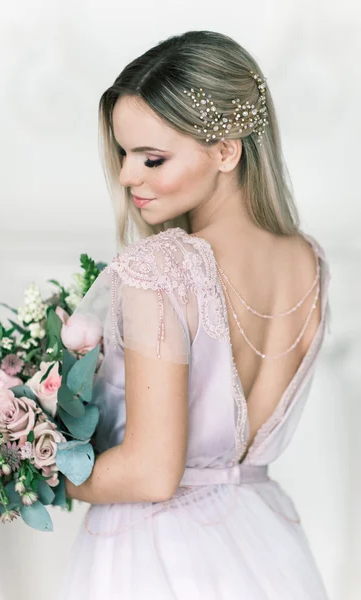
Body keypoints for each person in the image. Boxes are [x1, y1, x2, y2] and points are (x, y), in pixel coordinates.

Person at [60, 30, 331, 600]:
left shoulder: (161, 265)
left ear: (226, 150)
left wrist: (41, 469)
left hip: (156, 554)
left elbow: (152, 472)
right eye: (123, 154)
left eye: (152, 158)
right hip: (263, 542)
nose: (129, 176)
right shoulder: (308, 261)